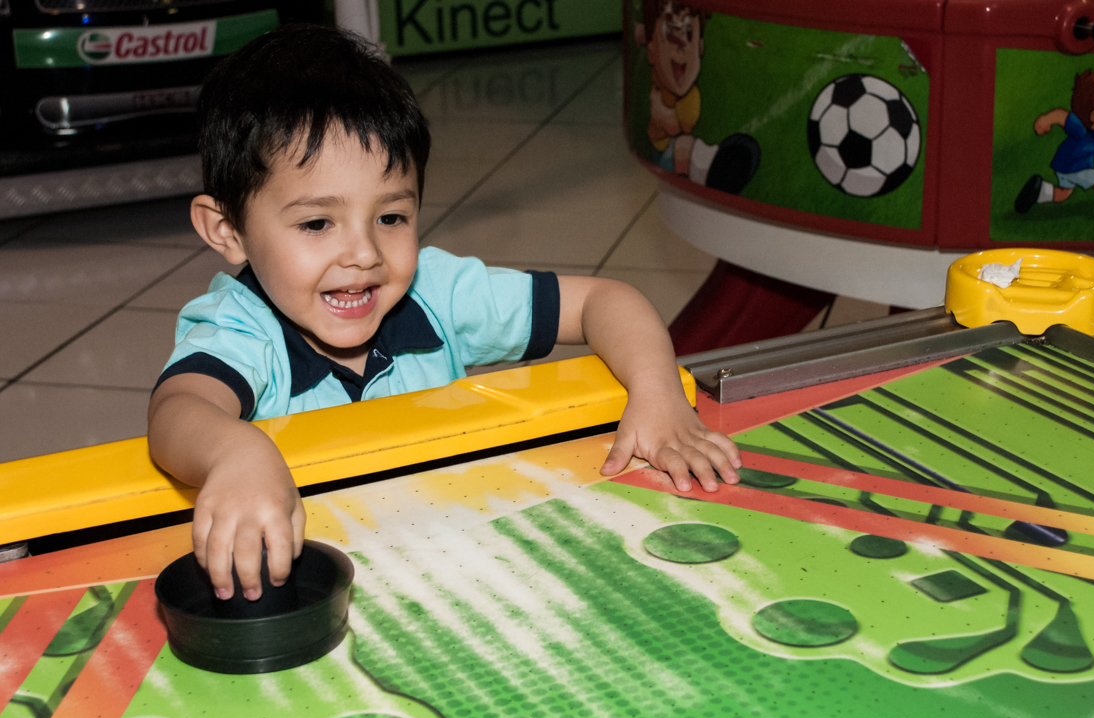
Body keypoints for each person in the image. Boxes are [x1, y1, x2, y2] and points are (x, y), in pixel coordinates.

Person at [147, 24, 741, 603]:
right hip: (315, 582)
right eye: (317, 223)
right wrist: (237, 453)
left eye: (391, 217)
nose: (363, 254)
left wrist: (659, 393)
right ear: (227, 230)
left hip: (453, 562)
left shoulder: (438, 292)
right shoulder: (239, 326)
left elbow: (606, 301)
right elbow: (179, 410)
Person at [635, 0, 760, 195]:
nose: (681, 48)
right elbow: (670, 124)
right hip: (664, 151)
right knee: (683, 146)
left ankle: (711, 164)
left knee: (684, 143)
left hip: (671, 150)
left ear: (700, 47)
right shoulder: (657, 93)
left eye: (688, 34)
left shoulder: (689, 96)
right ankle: (706, 167)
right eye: (671, 36)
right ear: (652, 51)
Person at [1014, 64, 1094, 218]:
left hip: (1064, 166)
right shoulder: (1080, 129)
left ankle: (1038, 191)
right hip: (1076, 165)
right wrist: (1045, 120)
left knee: (1063, 194)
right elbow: (1063, 116)